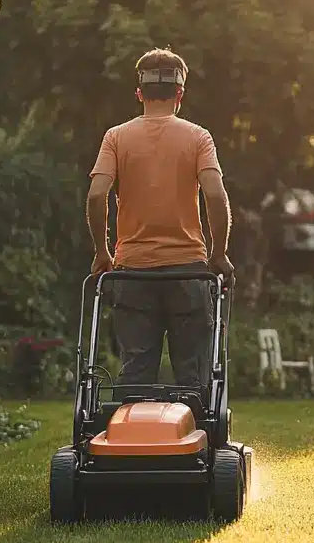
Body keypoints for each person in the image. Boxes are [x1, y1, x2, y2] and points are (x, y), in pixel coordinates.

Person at [86, 48, 234, 389]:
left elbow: (97, 195)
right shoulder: (198, 137)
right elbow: (214, 193)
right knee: (194, 377)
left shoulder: (116, 137)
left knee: (136, 372)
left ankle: (131, 440)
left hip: (133, 273)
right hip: (188, 272)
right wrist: (219, 252)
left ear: (139, 93)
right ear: (179, 94)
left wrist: (102, 251)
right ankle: (195, 438)